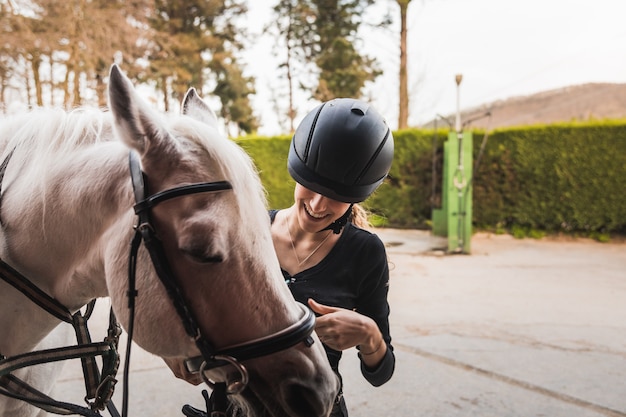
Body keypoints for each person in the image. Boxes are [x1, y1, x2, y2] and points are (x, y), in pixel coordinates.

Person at [269, 98, 395, 417]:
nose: (318, 204)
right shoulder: (250, 228)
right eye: (311, 185)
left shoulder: (364, 253)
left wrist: (369, 335)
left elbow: (380, 373)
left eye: (337, 197)